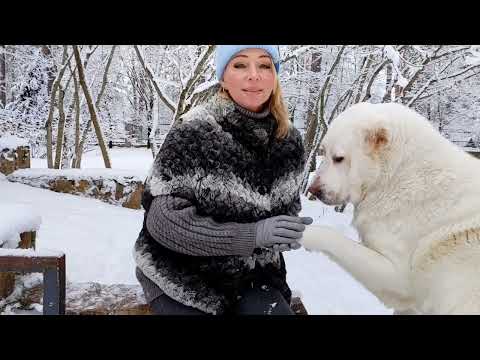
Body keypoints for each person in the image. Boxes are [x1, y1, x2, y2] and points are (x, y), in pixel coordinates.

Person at [133, 45, 312, 315]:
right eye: (240, 65)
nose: (254, 75)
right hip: (181, 274)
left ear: (275, 75)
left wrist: (284, 233)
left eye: (265, 65)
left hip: (253, 276)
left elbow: (282, 213)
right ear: (223, 78)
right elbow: (163, 223)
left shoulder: (289, 142)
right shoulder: (194, 131)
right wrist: (252, 235)